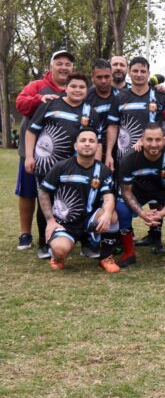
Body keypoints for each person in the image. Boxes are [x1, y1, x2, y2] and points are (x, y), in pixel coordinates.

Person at [106, 57, 165, 251]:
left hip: (155, 155)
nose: (138, 74)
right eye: (135, 70)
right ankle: (123, 240)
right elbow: (113, 126)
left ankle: (155, 235)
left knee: (155, 193)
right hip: (126, 157)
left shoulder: (159, 95)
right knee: (125, 195)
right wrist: (109, 154)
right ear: (129, 72)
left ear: (148, 73)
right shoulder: (120, 96)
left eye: (142, 71)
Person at [25, 72, 93, 259]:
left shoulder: (89, 111)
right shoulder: (50, 104)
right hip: (46, 163)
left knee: (69, 202)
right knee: (45, 201)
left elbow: (96, 140)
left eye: (81, 87)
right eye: (73, 86)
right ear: (66, 88)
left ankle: (70, 239)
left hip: (73, 167)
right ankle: (44, 244)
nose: (77, 90)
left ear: (87, 91)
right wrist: (29, 157)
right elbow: (31, 131)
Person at [38, 128, 120, 273]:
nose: (87, 144)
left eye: (91, 141)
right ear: (76, 145)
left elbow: (109, 196)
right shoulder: (61, 167)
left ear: (97, 146)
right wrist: (50, 220)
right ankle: (57, 256)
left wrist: (107, 212)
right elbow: (43, 191)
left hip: (90, 221)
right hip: (66, 224)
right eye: (83, 141)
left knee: (112, 215)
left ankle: (105, 257)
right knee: (60, 249)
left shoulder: (103, 171)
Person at [15, 49, 72, 252]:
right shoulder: (38, 86)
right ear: (51, 67)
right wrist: (38, 99)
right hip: (33, 154)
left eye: (67, 64)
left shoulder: (73, 88)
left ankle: (58, 233)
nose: (64, 67)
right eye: (59, 63)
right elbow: (20, 104)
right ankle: (25, 234)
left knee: (57, 196)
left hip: (61, 157)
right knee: (29, 193)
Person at [116, 124, 165, 267]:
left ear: (163, 140)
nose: (154, 144)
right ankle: (129, 252)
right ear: (141, 140)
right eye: (149, 140)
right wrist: (142, 213)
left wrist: (163, 212)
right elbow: (126, 191)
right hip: (139, 192)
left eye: (158, 140)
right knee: (121, 210)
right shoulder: (129, 159)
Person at [86, 59, 120, 157]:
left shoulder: (121, 95)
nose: (103, 81)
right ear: (93, 78)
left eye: (107, 77)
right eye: (99, 77)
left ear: (112, 76)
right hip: (93, 149)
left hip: (118, 149)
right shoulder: (85, 98)